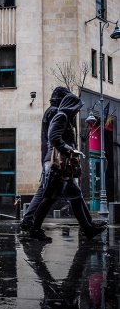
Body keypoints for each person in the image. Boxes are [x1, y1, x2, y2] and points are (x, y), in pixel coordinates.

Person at [29, 92, 107, 241]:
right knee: (49, 198)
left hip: (63, 167)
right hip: (58, 166)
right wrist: (69, 149)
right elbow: (53, 138)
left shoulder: (65, 118)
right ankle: (34, 229)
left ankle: (88, 228)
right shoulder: (62, 116)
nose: (78, 110)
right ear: (71, 106)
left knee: (75, 196)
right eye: (77, 107)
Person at [20, 86, 70, 231]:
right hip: (53, 157)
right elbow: (54, 137)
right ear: (60, 99)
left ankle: (29, 220)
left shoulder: (49, 111)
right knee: (45, 192)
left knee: (44, 190)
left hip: (48, 156)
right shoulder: (55, 112)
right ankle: (29, 221)